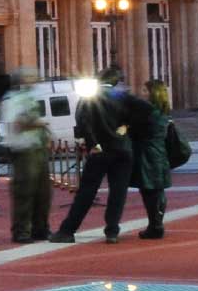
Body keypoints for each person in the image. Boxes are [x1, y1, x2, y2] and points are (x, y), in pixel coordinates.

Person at [51, 67, 146, 244]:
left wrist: (92, 143)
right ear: (117, 80)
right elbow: (145, 111)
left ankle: (67, 230)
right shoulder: (123, 96)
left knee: (87, 191)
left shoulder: (90, 97)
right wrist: (127, 127)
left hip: (100, 150)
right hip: (122, 149)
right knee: (118, 192)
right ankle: (112, 230)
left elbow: (82, 121)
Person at [0, 72, 51, 243]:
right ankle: (21, 231)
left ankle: (40, 228)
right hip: (23, 150)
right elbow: (17, 124)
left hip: (37, 148)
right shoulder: (11, 100)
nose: (34, 80)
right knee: (24, 192)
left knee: (43, 193)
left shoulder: (29, 97)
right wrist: (39, 123)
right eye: (30, 77)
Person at [135, 79, 177, 240]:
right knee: (158, 191)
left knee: (149, 191)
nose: (142, 93)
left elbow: (137, 131)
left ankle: (155, 225)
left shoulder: (149, 112)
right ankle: (156, 223)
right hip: (160, 154)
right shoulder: (164, 113)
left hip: (148, 155)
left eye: (145, 91)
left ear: (153, 93)